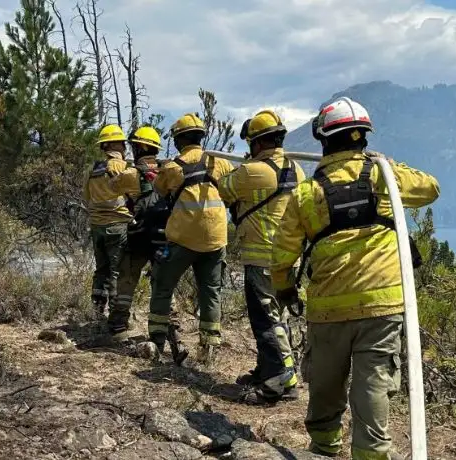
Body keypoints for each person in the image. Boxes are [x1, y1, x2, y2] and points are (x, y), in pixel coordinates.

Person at [270, 97, 440, 459]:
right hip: (383, 305)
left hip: (328, 308)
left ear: (323, 140)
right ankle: (372, 453)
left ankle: (324, 447)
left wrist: (284, 291)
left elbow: (282, 254)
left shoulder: (306, 193)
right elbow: (430, 188)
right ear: (363, 137)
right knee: (373, 385)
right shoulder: (384, 177)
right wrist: (390, 166)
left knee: (326, 382)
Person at [218, 109, 304, 404]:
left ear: (256, 143)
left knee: (265, 321)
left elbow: (223, 188)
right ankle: (279, 372)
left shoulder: (251, 171)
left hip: (261, 258)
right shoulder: (297, 169)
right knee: (278, 319)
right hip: (289, 259)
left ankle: (275, 384)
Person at [147, 113, 234, 366]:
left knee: (163, 285)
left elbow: (159, 191)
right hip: (216, 238)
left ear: (179, 140)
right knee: (210, 292)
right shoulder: (219, 162)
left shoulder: (174, 167)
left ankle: (157, 341)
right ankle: (208, 349)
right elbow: (230, 191)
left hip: (183, 239)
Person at [107, 126, 176, 345]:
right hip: (163, 236)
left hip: (138, 234)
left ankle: (118, 323)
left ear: (140, 147)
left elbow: (111, 187)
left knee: (127, 278)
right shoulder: (170, 171)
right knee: (163, 283)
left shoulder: (131, 174)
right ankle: (170, 329)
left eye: (134, 146)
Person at [83, 124, 141, 322]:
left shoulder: (92, 169)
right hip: (117, 226)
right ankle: (116, 318)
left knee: (101, 271)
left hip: (97, 227)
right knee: (117, 272)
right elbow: (137, 196)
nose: (125, 148)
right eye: (123, 144)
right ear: (118, 145)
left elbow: (86, 197)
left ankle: (97, 312)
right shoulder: (124, 168)